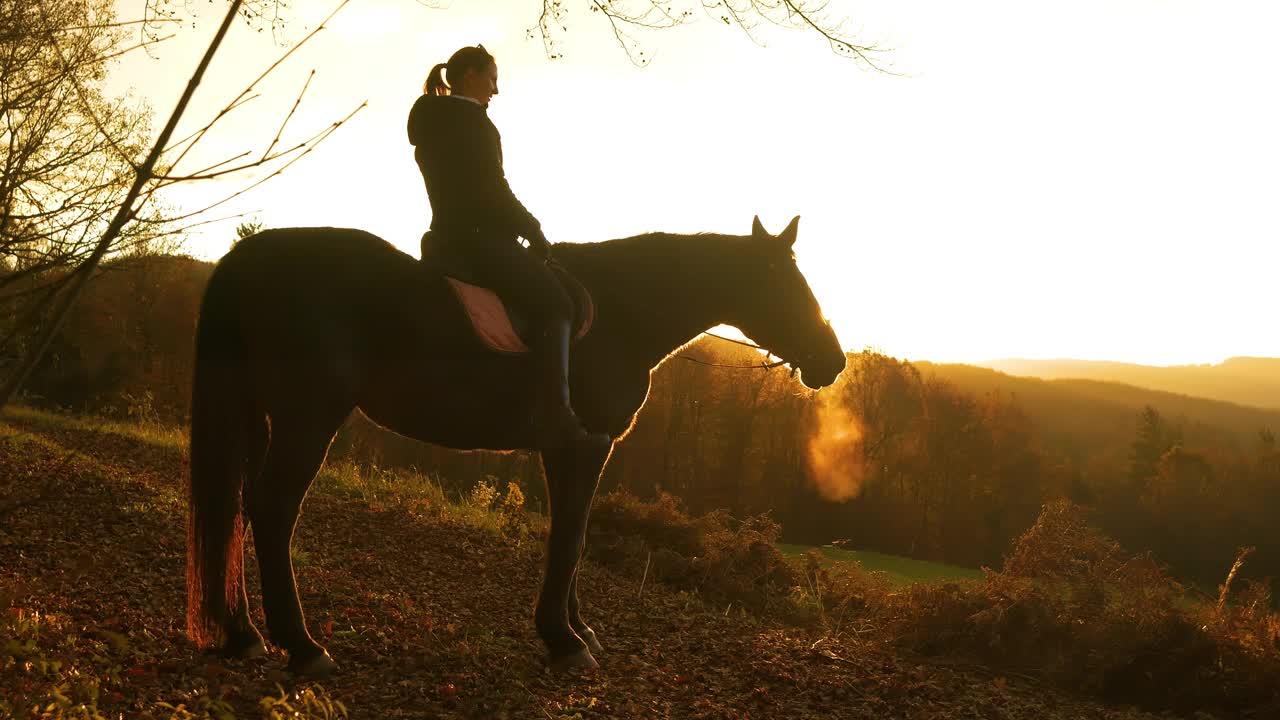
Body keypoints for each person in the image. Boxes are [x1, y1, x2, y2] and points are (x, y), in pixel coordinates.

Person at [407, 45, 603, 450]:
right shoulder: (475, 124)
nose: (496, 90)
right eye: (492, 78)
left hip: (445, 236)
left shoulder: (432, 121)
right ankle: (557, 414)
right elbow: (493, 190)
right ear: (467, 77)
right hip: (481, 240)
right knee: (558, 303)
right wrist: (531, 229)